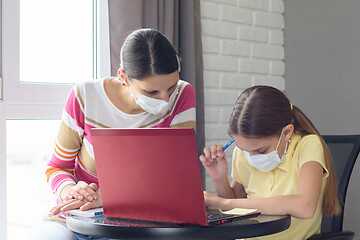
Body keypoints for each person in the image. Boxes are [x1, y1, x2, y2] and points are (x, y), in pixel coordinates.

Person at [27, 28, 196, 240]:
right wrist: (71, 190)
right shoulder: (84, 95)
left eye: (170, 87)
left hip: (141, 221)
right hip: (77, 216)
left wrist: (108, 198)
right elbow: (57, 167)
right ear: (124, 77)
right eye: (151, 92)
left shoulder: (183, 94)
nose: (164, 100)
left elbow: (175, 178)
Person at [200, 85, 340, 240]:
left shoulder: (307, 145)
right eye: (244, 149)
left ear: (287, 132)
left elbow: (305, 206)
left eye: (260, 151)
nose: (251, 156)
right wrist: (220, 179)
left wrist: (223, 204)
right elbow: (237, 203)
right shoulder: (243, 153)